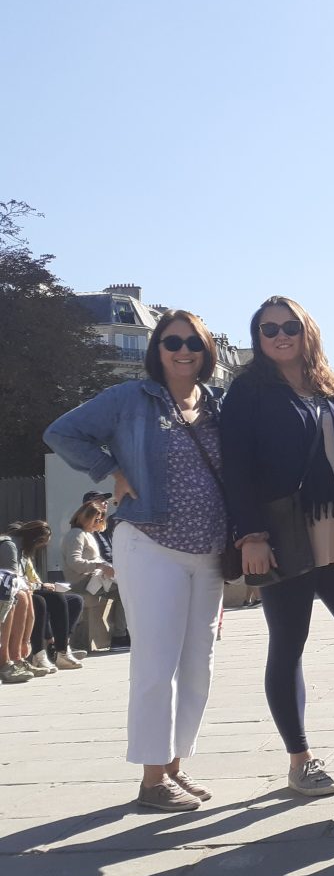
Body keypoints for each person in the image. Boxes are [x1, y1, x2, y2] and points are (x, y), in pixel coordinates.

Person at [45, 309, 228, 812]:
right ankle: (151, 779)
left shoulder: (216, 404)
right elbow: (62, 432)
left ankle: (173, 767)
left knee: (198, 665)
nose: (183, 350)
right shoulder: (131, 398)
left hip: (209, 551)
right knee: (155, 660)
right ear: (157, 350)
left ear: (206, 349)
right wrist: (110, 469)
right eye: (172, 342)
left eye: (193, 341)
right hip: (151, 542)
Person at [220, 295, 334, 796]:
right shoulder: (248, 391)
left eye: (290, 327)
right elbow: (237, 468)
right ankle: (300, 759)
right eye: (268, 329)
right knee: (289, 645)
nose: (280, 335)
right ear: (258, 339)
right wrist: (251, 535)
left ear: (307, 331)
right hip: (284, 534)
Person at [0, 520, 84, 675]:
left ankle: (62, 650)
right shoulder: (10, 546)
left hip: (17, 590)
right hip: (8, 591)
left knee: (59, 598)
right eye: (41, 544)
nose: (41, 549)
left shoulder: (21, 549)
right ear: (34, 540)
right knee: (37, 601)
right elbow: (12, 581)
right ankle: (35, 654)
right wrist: (39, 586)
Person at [61, 501, 117, 651]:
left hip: (93, 579)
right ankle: (119, 634)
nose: (99, 523)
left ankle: (117, 633)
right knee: (126, 591)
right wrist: (100, 566)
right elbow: (74, 562)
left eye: (100, 519)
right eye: (96, 519)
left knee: (127, 588)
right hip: (82, 581)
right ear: (86, 517)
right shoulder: (76, 535)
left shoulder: (87, 534)